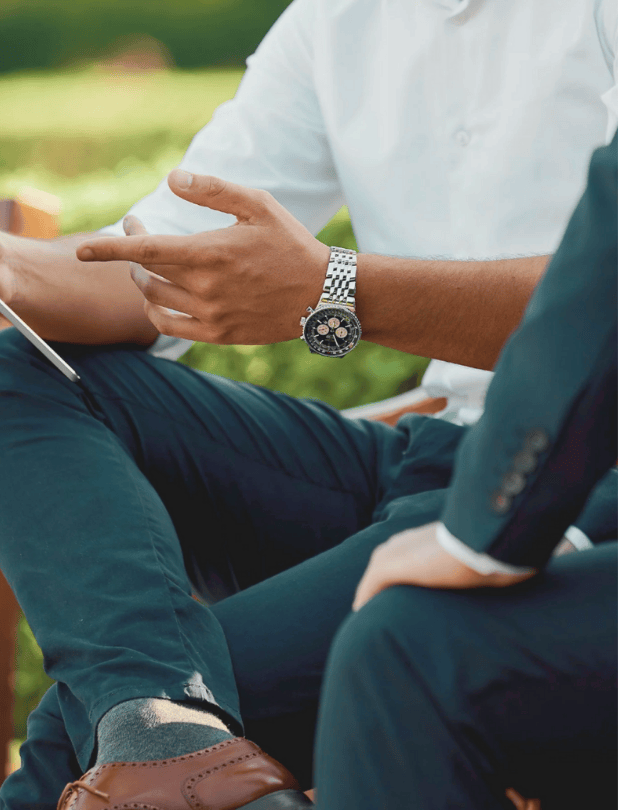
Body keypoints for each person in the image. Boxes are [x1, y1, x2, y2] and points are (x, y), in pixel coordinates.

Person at [0, 0, 616, 808]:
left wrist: (339, 290)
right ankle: (163, 721)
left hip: (572, 473)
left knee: (59, 755)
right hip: (425, 453)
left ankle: (161, 732)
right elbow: (155, 263)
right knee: (13, 367)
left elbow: (599, 299)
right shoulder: (336, 19)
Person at [313, 132, 618, 810]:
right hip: (439, 452)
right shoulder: (324, 30)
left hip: (510, 485)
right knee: (117, 702)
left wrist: (483, 533)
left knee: (406, 653)